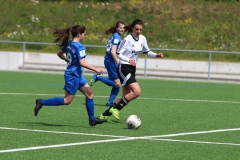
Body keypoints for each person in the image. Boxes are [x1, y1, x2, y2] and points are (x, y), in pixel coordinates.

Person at [34, 25, 106, 126]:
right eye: (84, 34)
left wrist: (66, 59)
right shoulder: (79, 46)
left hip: (77, 75)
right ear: (79, 34)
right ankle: (41, 102)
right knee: (67, 100)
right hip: (73, 75)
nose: (85, 36)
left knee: (90, 94)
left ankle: (92, 120)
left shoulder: (69, 44)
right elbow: (82, 63)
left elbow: (59, 53)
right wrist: (95, 69)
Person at [98, 19, 164, 121]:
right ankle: (116, 109)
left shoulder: (142, 39)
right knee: (137, 91)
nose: (139, 31)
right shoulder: (127, 39)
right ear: (132, 28)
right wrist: (129, 60)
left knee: (125, 96)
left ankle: (104, 115)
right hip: (124, 68)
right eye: (137, 29)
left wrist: (156, 55)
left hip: (132, 68)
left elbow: (147, 51)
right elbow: (118, 53)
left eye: (140, 29)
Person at [90, 21, 125, 107]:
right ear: (117, 28)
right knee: (118, 84)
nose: (122, 29)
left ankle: (110, 102)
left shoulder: (114, 36)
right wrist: (117, 62)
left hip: (109, 60)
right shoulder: (116, 37)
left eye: (123, 28)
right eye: (120, 28)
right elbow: (113, 52)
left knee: (118, 84)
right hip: (111, 61)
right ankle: (98, 77)